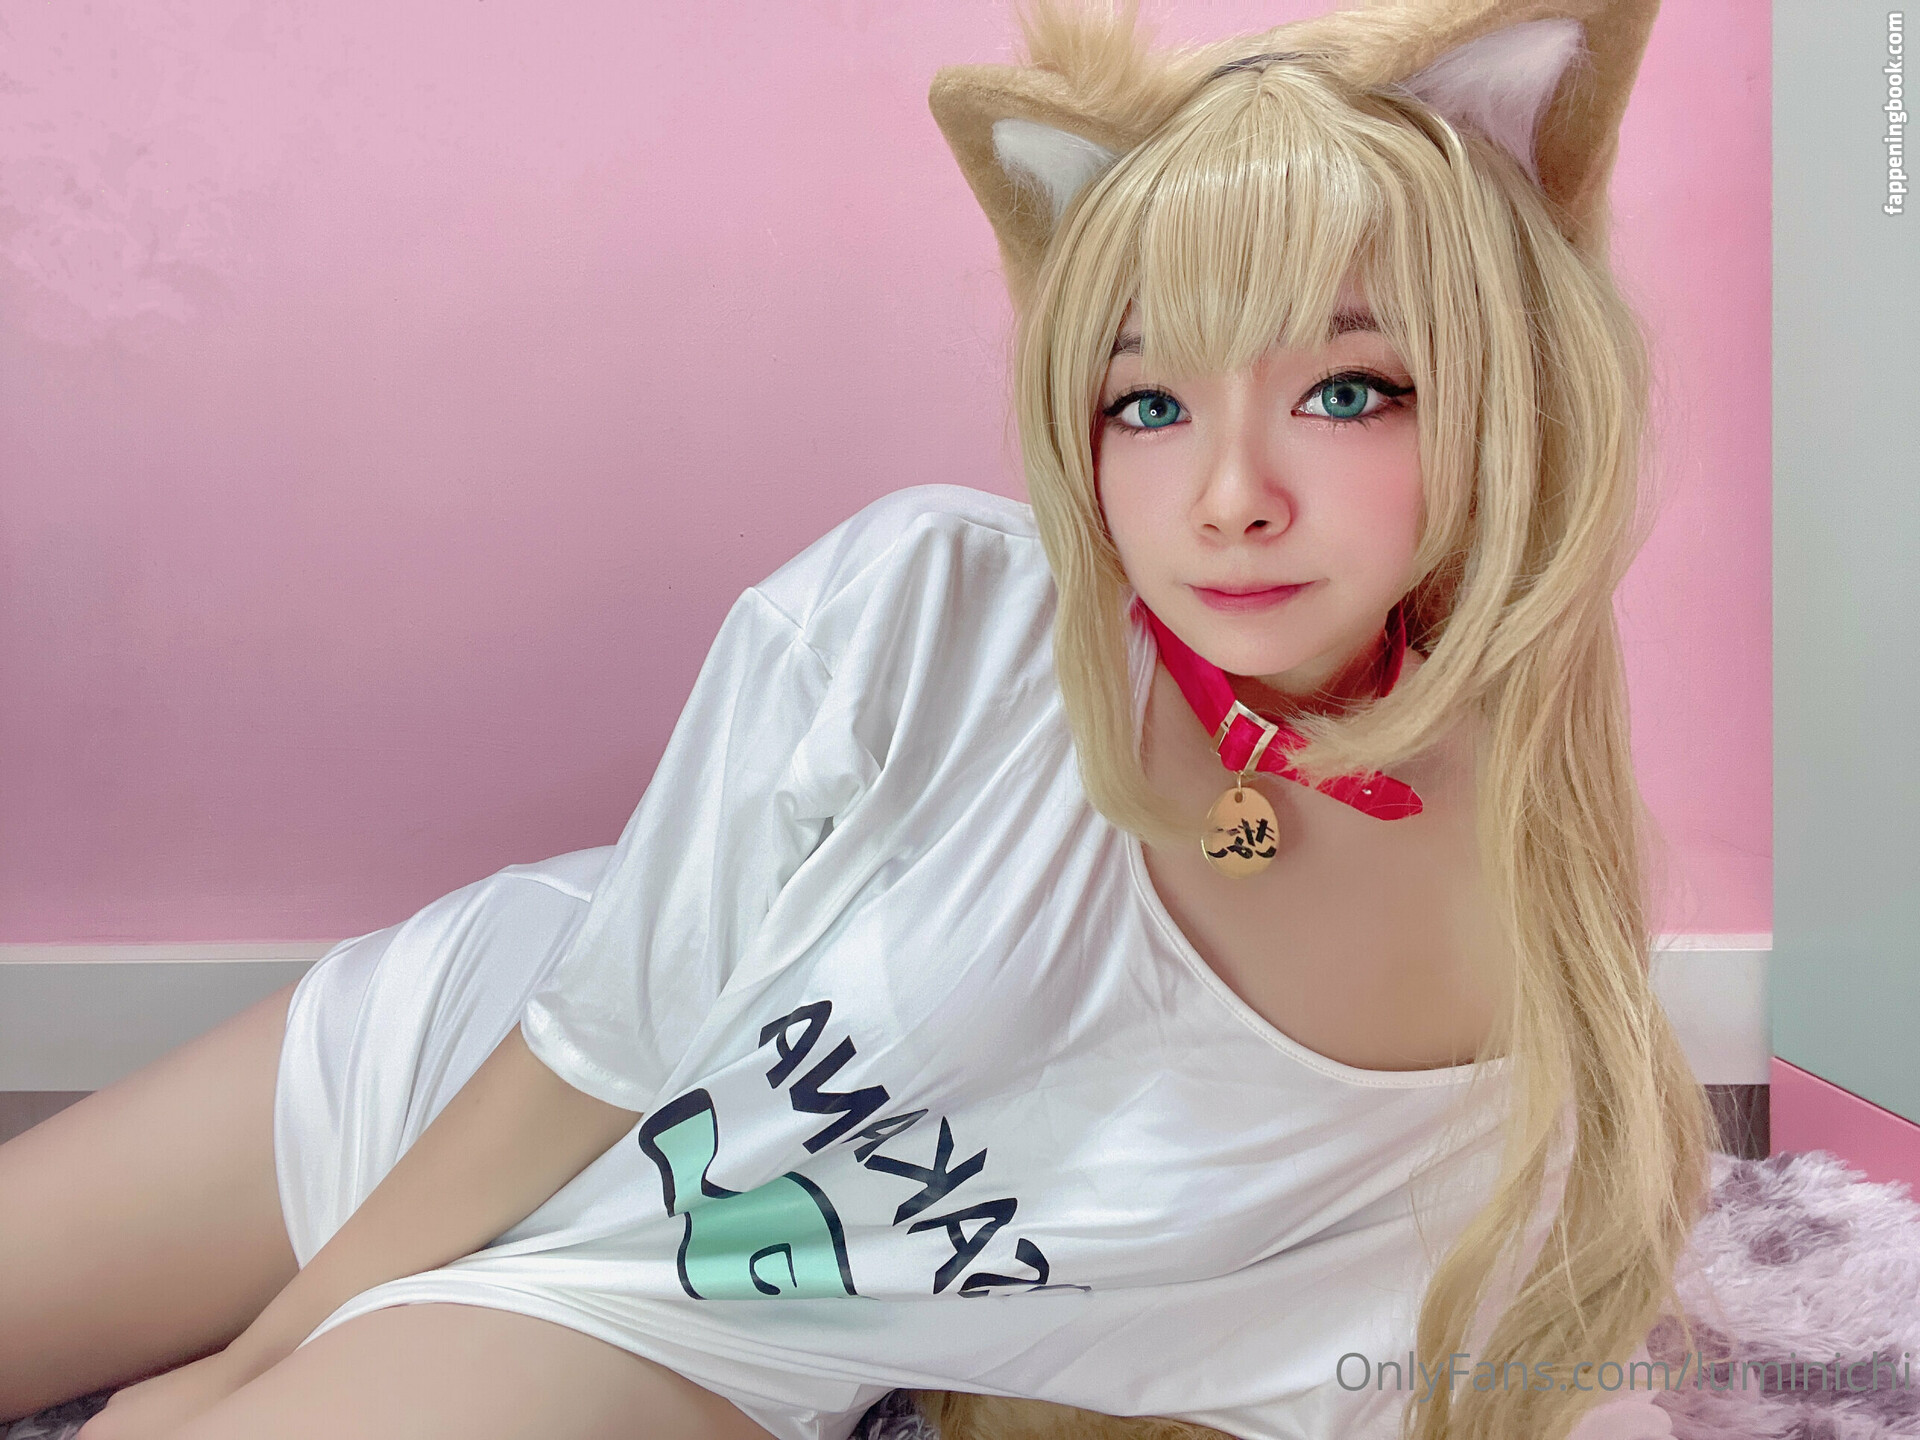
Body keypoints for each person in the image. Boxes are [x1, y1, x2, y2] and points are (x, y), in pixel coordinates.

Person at [0, 0, 1717, 1438]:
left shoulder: (1514, 963)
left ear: (1501, 391)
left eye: (1348, 389)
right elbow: (599, 1036)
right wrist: (264, 1350)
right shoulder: (933, 615)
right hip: (459, 1060)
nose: (1229, 495)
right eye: (1148, 401)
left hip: (695, 1323)